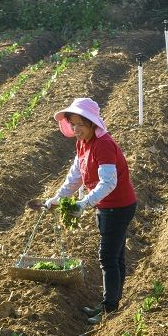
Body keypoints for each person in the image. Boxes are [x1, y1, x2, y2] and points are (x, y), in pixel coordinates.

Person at [28, 98, 137, 324]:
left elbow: (108, 182)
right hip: (106, 206)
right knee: (115, 256)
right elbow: (75, 177)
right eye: (72, 124)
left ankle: (109, 308)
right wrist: (56, 200)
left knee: (108, 257)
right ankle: (112, 302)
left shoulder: (103, 145)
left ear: (91, 124)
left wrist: (82, 204)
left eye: (80, 124)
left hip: (118, 206)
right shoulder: (82, 144)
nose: (76, 129)